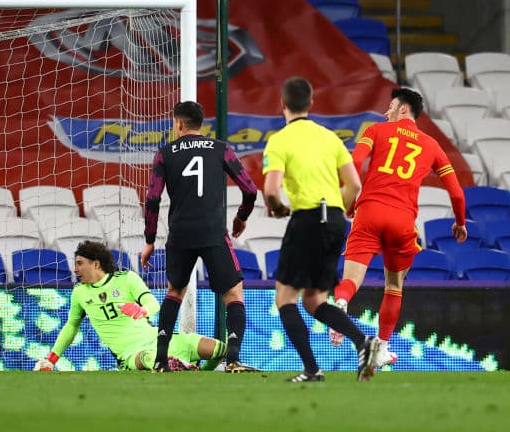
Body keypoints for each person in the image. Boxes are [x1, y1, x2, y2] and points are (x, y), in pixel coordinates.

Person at [330, 87, 468, 367]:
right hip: (402, 219)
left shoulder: (376, 131)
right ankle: (381, 348)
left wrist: (345, 198)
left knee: (351, 281)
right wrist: (460, 222)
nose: (386, 111)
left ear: (404, 109)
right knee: (394, 285)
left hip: (368, 212)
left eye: (390, 106)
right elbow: (456, 193)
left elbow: (354, 162)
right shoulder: (432, 146)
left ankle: (341, 306)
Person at [262, 76, 380, 382]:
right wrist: (334, 210)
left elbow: (271, 190)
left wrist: (277, 207)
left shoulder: (280, 141)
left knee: (285, 299)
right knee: (314, 300)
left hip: (308, 220)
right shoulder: (331, 138)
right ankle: (363, 342)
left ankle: (312, 369)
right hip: (336, 222)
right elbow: (354, 184)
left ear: (282, 104)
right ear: (311, 104)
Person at [138, 100, 260, 373]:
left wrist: (149, 240)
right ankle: (232, 359)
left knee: (175, 292)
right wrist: (241, 217)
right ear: (200, 124)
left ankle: (159, 361)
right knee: (233, 294)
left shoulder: (164, 153)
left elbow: (153, 198)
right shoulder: (221, 149)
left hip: (179, 234)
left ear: (179, 123)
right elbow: (250, 190)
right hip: (213, 232)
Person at [34, 240, 228, 372]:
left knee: (219, 348)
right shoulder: (80, 293)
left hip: (161, 341)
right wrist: (51, 360)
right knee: (147, 358)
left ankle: (198, 372)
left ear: (95, 264)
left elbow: (153, 304)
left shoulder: (127, 278)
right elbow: (71, 327)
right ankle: (177, 365)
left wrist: (141, 310)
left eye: (79, 263)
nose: (75, 269)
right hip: (132, 354)